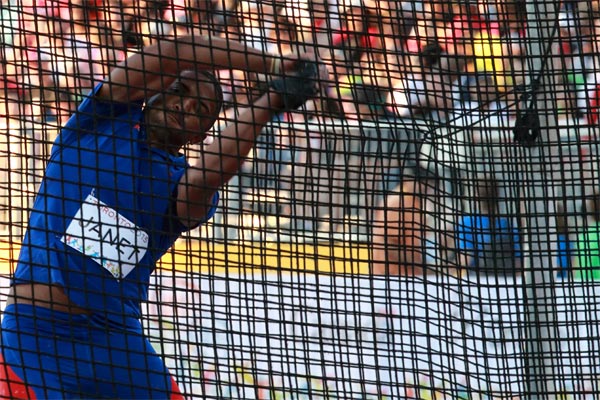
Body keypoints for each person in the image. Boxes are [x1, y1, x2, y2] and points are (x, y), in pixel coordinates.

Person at [0, 28, 322, 398]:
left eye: (201, 110)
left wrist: (272, 101)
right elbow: (176, 50)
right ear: (153, 92)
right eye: (179, 91)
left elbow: (209, 176)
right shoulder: (99, 121)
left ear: (201, 136)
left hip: (115, 343)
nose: (186, 106)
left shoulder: (181, 184)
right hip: (35, 338)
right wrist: (274, 64)